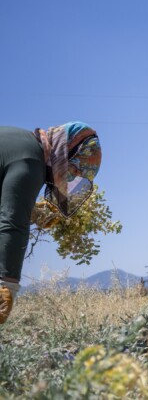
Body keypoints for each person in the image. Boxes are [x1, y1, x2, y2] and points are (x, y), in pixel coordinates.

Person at [1, 122, 102, 324]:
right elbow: (12, 224)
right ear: (65, 152)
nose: (67, 180)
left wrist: (31, 211)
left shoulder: (21, 141)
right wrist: (6, 286)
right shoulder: (31, 160)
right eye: (71, 172)